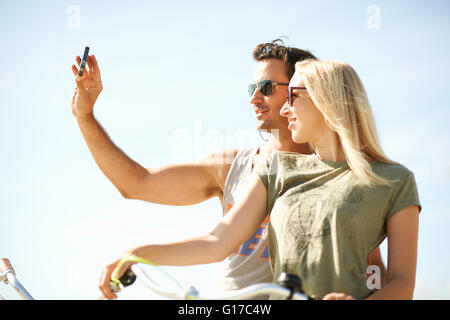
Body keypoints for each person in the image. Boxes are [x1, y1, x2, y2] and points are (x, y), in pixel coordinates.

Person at [70, 41, 385, 299]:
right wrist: (85, 116)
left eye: (265, 86)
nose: (254, 98)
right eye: (252, 88)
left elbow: (373, 273)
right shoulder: (231, 166)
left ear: (302, 91)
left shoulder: (338, 176)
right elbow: (135, 184)